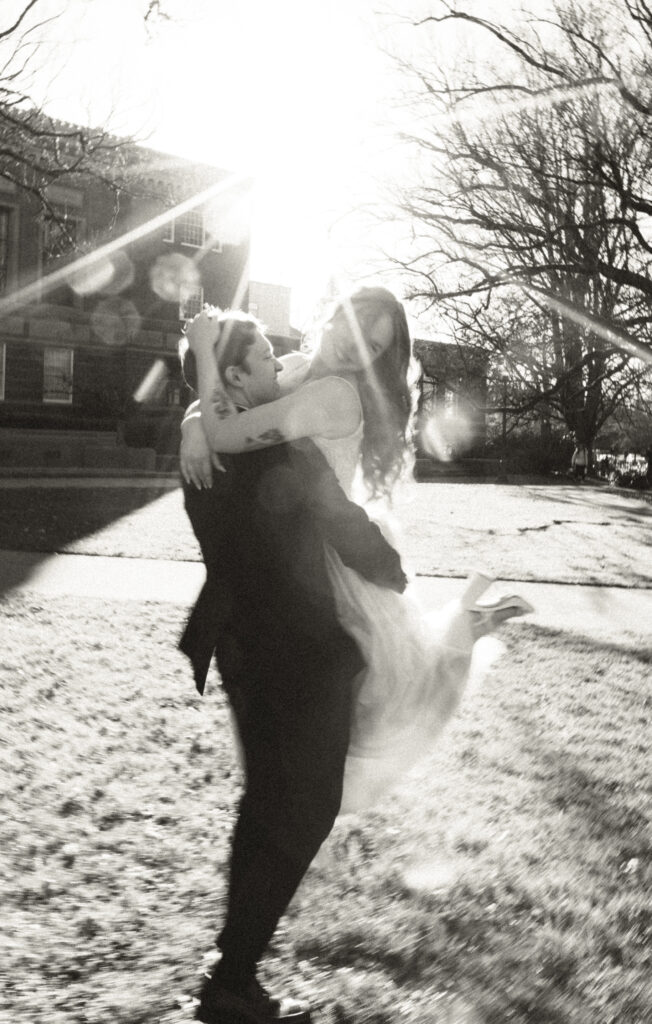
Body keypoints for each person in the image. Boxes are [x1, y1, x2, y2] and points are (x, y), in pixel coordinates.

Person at [184, 286, 532, 815]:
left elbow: (229, 431)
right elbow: (233, 396)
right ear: (335, 313)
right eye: (356, 326)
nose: (356, 347)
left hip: (326, 564)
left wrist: (204, 360)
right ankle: (471, 621)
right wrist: (192, 425)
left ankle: (467, 626)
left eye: (374, 346)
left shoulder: (334, 397)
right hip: (288, 555)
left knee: (379, 709)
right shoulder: (294, 367)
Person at [178, 309, 409, 1024]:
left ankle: (230, 971)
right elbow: (335, 512)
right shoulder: (296, 433)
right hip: (298, 643)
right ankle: (232, 976)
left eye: (373, 346)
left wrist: (195, 408)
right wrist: (390, 568)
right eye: (261, 360)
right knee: (307, 808)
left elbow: (219, 412)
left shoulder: (223, 440)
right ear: (238, 377)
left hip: (236, 641)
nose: (277, 366)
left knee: (264, 803)